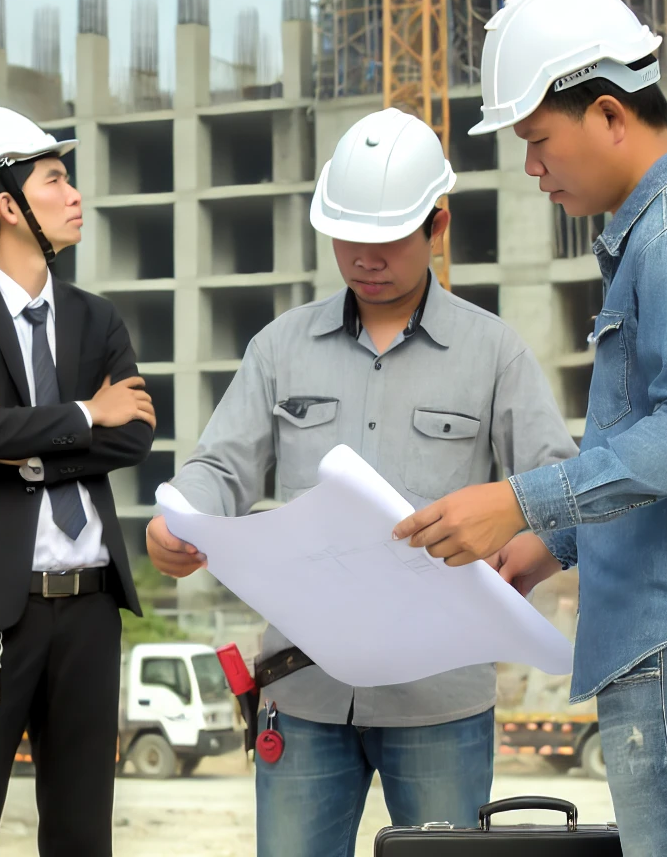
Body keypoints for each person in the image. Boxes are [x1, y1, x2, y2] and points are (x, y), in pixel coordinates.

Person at [146, 107, 577, 857]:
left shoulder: (493, 353)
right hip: (302, 694)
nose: (364, 258)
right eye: (348, 238)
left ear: (437, 226)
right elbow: (220, 467)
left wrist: (538, 546)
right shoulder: (280, 347)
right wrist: (179, 521)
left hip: (439, 699)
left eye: (386, 241)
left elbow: (558, 484)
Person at [392, 0, 667, 857]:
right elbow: (654, 444)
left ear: (611, 115)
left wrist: (521, 500)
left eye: (540, 142)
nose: (531, 168)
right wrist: (556, 542)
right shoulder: (664, 235)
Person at [0, 106, 155, 857]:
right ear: (8, 206)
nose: (75, 193)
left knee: (84, 834)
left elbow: (136, 433)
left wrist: (26, 447)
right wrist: (85, 411)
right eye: (56, 179)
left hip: (90, 610)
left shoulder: (98, 319)